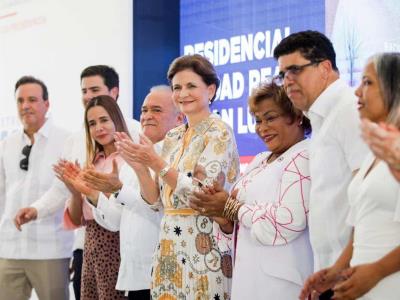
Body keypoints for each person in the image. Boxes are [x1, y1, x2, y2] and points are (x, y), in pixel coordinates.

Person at [116, 54, 240, 300]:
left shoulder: (219, 131)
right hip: (168, 248)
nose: (183, 93)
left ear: (211, 89)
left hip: (205, 247)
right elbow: (156, 202)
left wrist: (155, 161)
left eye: (191, 86)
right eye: (177, 87)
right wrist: (141, 167)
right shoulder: (172, 137)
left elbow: (201, 193)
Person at [13, 65, 141, 300]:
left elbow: (134, 203)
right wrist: (38, 209)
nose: (88, 97)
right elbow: (64, 191)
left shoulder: (134, 134)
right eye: (84, 91)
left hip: (123, 245)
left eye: (95, 90)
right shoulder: (77, 141)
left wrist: (92, 191)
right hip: (86, 245)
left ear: (114, 92)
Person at [188, 81, 313, 299]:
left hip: (282, 286)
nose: (262, 128)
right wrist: (220, 213)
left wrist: (231, 208)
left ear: (297, 116)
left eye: (270, 118)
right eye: (258, 120)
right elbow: (239, 221)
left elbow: (288, 221)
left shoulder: (305, 155)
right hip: (247, 278)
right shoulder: (260, 160)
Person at [300, 52, 400, 300]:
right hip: (361, 283)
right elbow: (361, 224)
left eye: (367, 82)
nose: (357, 92)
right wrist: (335, 271)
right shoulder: (373, 154)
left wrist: (377, 271)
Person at [273, 31, 369, 275]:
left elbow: (370, 196)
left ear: (325, 68)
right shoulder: (320, 118)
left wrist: (344, 267)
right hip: (331, 268)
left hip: (354, 270)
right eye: (283, 74)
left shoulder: (350, 110)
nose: (287, 81)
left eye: (295, 70)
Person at [80, 85, 184, 299]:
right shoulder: (132, 158)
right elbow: (115, 221)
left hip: (166, 275)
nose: (147, 116)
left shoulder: (178, 157)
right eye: (144, 110)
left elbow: (159, 211)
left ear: (179, 119)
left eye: (156, 110)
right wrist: (93, 194)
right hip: (135, 277)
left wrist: (118, 189)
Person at [0, 76, 72, 300]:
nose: (25, 106)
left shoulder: (66, 140)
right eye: (20, 101)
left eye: (32, 99)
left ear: (46, 104)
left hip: (50, 249)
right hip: (9, 249)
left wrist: (35, 210)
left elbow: (64, 190)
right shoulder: (6, 144)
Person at [58, 95, 129, 299]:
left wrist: (96, 191)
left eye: (104, 120)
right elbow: (77, 219)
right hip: (91, 245)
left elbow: (124, 210)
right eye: (92, 123)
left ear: (117, 120)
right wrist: (73, 190)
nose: (99, 128)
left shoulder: (129, 160)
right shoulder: (93, 163)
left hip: (118, 245)